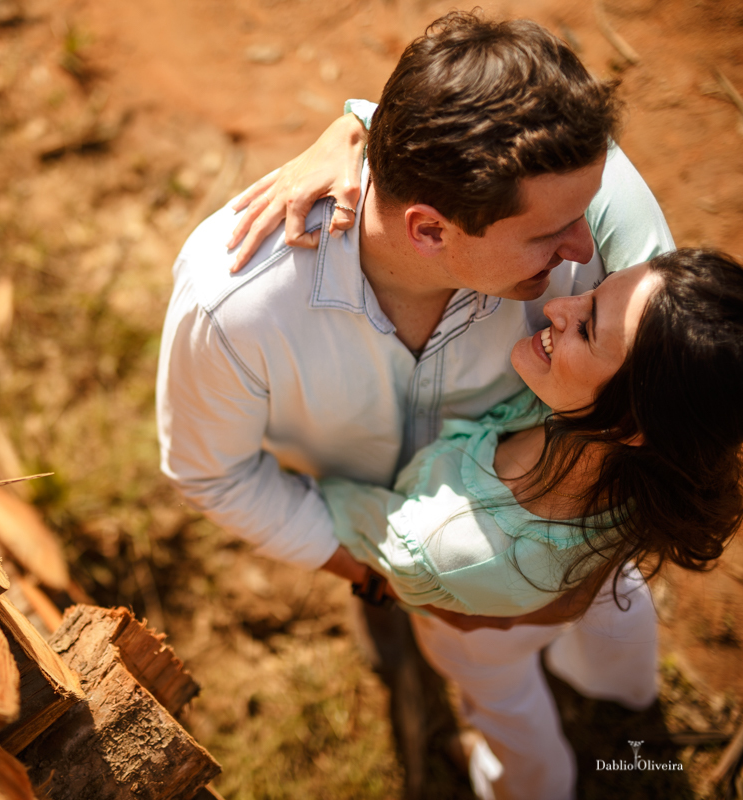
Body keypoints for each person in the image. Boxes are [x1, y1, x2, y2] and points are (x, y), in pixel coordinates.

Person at [154, 9, 674, 798]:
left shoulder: (605, 242)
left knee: (613, 621)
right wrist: (381, 576)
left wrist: (587, 562)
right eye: (550, 235)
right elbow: (212, 474)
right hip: (422, 552)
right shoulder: (236, 311)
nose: (582, 250)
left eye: (587, 212)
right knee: (498, 694)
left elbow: (685, 401)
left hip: (582, 517)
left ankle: (630, 717)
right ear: (430, 230)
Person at [316, 249, 743, 798]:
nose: (558, 305)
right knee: (619, 600)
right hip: (572, 582)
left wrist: (297, 462)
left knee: (509, 707)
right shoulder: (662, 468)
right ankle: (623, 688)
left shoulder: (442, 542)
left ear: (630, 421)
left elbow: (345, 516)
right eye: (595, 290)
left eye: (586, 329)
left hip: (473, 630)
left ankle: (530, 783)